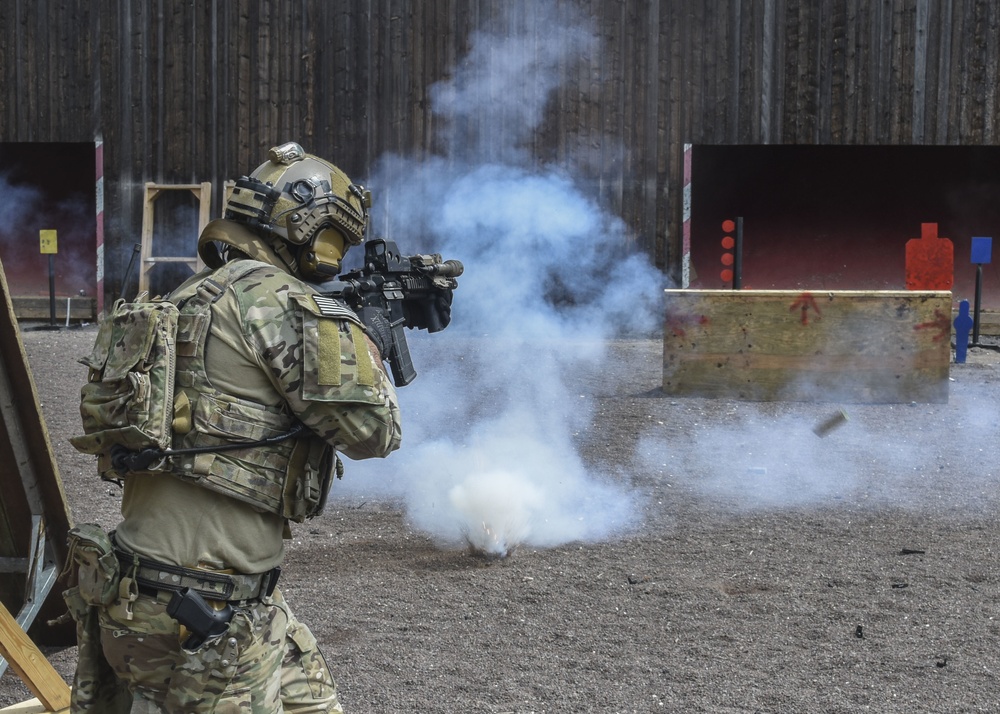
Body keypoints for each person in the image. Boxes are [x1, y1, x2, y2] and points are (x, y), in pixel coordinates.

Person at [66, 142, 402, 712]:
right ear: (307, 230)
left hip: (145, 595)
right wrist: (365, 341)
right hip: (206, 619)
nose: (334, 259)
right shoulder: (279, 302)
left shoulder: (183, 296)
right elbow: (372, 433)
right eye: (333, 241)